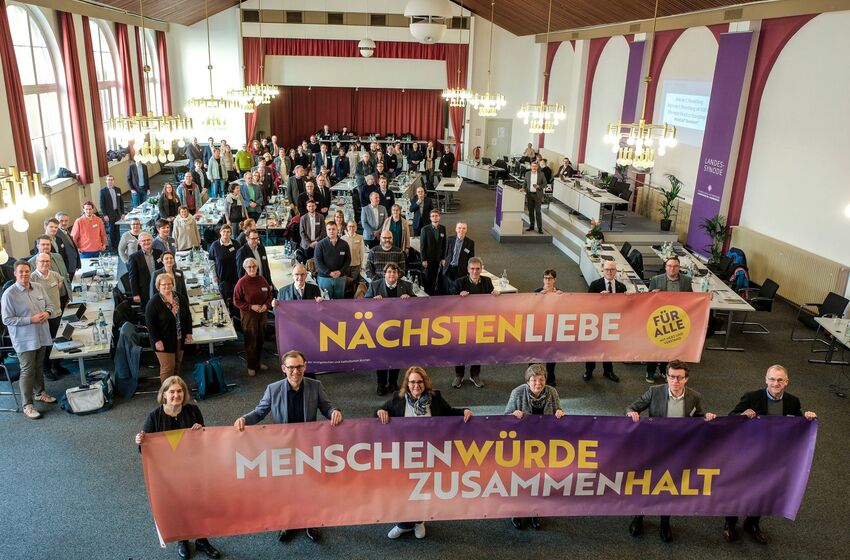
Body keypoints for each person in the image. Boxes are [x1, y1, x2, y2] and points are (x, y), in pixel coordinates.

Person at [234, 350, 343, 544]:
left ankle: (311, 521)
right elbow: (260, 412)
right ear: (284, 369)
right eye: (291, 367)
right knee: (286, 486)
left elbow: (327, 407)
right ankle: (288, 522)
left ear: (305, 367)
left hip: (308, 446)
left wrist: (335, 411)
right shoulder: (273, 389)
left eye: (299, 367)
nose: (295, 371)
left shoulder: (315, 386)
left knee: (309, 485)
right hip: (283, 447)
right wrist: (244, 419)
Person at [722, 365, 817, 544]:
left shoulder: (793, 401)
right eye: (772, 379)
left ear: (786, 382)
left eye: (780, 380)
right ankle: (730, 523)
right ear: (766, 380)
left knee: (762, 489)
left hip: (773, 456)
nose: (775, 383)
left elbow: (798, 423)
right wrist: (742, 414)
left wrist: (808, 418)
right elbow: (730, 417)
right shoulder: (751, 397)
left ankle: (752, 524)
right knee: (739, 487)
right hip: (748, 453)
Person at [626, 360, 717, 543]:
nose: (675, 381)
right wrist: (631, 413)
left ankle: (665, 522)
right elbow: (631, 407)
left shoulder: (694, 397)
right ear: (666, 377)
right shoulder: (654, 391)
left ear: (686, 379)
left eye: (679, 377)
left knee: (670, 486)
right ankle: (639, 516)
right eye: (672, 377)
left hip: (678, 450)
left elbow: (698, 417)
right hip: (654, 447)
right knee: (648, 483)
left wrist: (706, 416)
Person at [377, 366, 472, 539]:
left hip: (428, 454)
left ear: (425, 382)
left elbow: (449, 413)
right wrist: (380, 411)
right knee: (403, 490)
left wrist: (464, 411)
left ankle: (419, 521)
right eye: (412, 382)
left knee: (421, 489)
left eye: (420, 382)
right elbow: (380, 412)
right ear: (407, 383)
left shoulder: (435, 398)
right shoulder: (398, 398)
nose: (416, 385)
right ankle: (403, 524)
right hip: (404, 454)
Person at [134, 376, 222, 559]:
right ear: (164, 395)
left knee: (199, 503)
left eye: (180, 391)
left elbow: (203, 441)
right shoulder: (154, 417)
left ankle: (201, 539)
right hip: (168, 473)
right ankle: (182, 539)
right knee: (177, 505)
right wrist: (140, 441)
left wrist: (200, 432)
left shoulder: (193, 411)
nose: (176, 395)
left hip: (192, 467)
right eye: (172, 391)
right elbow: (146, 450)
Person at [504, 363, 565, 529]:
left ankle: (535, 511)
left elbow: (559, 411)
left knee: (540, 479)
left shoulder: (552, 392)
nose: (538, 383)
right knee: (520, 479)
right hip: (521, 444)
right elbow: (504, 418)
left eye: (541, 379)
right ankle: (517, 511)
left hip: (544, 445)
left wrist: (560, 413)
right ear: (527, 382)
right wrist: (512, 415)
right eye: (534, 380)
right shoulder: (517, 393)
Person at [1, 260, 57, 419]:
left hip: (41, 334)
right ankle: (28, 405)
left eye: (27, 271)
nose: (24, 274)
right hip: (24, 339)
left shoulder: (38, 287)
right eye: (21, 271)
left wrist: (47, 313)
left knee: (39, 366)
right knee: (27, 370)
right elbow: (7, 319)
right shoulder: (9, 294)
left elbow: (50, 306)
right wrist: (30, 320)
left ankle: (40, 393)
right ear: (15, 273)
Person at [366, 263, 415, 394]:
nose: (392, 274)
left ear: (398, 274)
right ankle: (381, 384)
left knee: (397, 356)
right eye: (389, 272)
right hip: (380, 328)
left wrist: (409, 298)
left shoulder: (406, 286)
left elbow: (416, 303)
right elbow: (364, 304)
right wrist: (373, 301)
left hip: (400, 327)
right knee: (381, 356)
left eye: (394, 272)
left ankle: (393, 383)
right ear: (384, 274)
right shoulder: (374, 285)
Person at [452, 257, 499, 388]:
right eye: (472, 269)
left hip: (480, 322)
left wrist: (495, 295)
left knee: (478, 349)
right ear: (468, 269)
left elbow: (491, 300)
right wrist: (458, 297)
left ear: (481, 269)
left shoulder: (487, 281)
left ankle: (474, 375)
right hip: (462, 322)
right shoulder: (459, 283)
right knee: (460, 349)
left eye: (478, 268)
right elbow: (449, 302)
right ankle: (459, 375)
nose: (475, 271)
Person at [646, 256, 693, 383]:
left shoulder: (686, 281)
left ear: (679, 268)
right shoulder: (656, 279)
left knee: (670, 347)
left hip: (676, 319)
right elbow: (647, 299)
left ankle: (663, 370)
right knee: (655, 347)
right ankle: (650, 371)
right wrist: (653, 294)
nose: (672, 269)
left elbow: (692, 298)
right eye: (669, 266)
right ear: (665, 267)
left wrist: (706, 296)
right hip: (659, 318)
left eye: (675, 266)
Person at [146, 273, 192, 383]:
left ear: (173, 284)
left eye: (169, 283)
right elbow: (150, 324)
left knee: (177, 365)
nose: (167, 286)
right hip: (163, 341)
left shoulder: (179, 298)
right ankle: (166, 392)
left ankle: (175, 389)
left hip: (179, 338)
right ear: (158, 286)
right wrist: (157, 340)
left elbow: (188, 316)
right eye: (163, 284)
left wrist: (189, 332)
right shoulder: (153, 303)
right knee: (168, 368)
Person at [585, 262, 627, 383]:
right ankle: (589, 370)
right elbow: (587, 304)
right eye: (607, 269)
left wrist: (628, 298)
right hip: (596, 322)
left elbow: (624, 306)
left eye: (612, 269)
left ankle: (608, 371)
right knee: (592, 347)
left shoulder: (621, 287)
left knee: (608, 347)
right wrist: (599, 298)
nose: (609, 272)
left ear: (615, 271)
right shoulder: (595, 285)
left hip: (612, 322)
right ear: (602, 270)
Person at [31, 253, 70, 380]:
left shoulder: (54, 274)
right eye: (42, 261)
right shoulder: (32, 278)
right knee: (45, 345)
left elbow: (61, 281)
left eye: (47, 261)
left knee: (57, 341)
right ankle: (46, 369)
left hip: (56, 314)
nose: (45, 263)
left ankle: (57, 365)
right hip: (42, 318)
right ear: (36, 262)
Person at [234, 258, 274, 377]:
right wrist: (251, 306)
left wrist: (266, 305)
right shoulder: (242, 282)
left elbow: (269, 295)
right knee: (251, 341)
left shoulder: (262, 279)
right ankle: (251, 366)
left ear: (257, 267)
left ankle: (258, 363)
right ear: (245, 268)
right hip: (249, 316)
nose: (252, 269)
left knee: (260, 340)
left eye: (254, 266)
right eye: (249, 267)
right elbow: (236, 301)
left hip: (262, 315)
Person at [532, 269, 564, 385]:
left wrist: (562, 298)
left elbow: (565, 309)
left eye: (550, 278)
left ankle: (550, 377)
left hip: (553, 327)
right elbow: (530, 308)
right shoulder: (537, 292)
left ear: (554, 280)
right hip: (538, 327)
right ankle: (533, 377)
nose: (547, 281)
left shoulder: (559, 293)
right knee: (535, 353)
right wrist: (538, 297)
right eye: (545, 278)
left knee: (551, 353)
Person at [314, 222, 350, 300]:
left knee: (339, 301)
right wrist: (329, 272)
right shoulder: (320, 245)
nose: (331, 231)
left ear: (337, 230)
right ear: (326, 231)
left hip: (340, 278)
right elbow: (318, 261)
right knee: (326, 301)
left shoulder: (344, 244)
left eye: (333, 229)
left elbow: (348, 260)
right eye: (329, 229)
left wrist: (340, 272)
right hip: (324, 278)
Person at [128, 232, 162, 308]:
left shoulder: (159, 253)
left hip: (160, 287)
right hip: (144, 290)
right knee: (148, 309)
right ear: (139, 243)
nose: (146, 242)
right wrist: (135, 294)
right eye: (143, 241)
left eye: (148, 240)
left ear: (152, 241)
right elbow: (133, 277)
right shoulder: (134, 257)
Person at [208, 225, 239, 306]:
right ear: (220, 232)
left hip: (235, 278)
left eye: (228, 232)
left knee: (235, 300)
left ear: (231, 233)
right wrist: (214, 275)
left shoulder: (236, 244)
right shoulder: (215, 245)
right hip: (221, 278)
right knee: (223, 300)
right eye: (224, 231)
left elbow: (240, 259)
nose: (226, 233)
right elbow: (211, 261)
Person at [419, 209, 446, 295]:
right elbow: (422, 246)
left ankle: (434, 294)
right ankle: (427, 294)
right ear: (430, 218)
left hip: (438, 258)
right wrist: (423, 259)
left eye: (436, 216)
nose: (435, 217)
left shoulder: (442, 228)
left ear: (439, 217)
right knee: (428, 278)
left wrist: (443, 258)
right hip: (428, 259)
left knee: (436, 277)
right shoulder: (425, 229)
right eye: (433, 216)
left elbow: (444, 245)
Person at [99, 174, 125, 250]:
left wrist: (123, 213)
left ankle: (118, 244)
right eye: (108, 180)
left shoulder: (118, 189)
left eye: (111, 180)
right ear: (106, 181)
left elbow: (121, 202)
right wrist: (105, 215)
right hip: (109, 214)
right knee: (111, 229)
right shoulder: (103, 191)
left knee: (117, 229)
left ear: (113, 181)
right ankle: (113, 245)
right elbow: (102, 205)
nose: (110, 181)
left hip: (117, 213)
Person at [521, 161, 546, 234]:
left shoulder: (541, 174)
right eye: (532, 166)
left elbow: (545, 183)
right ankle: (531, 226)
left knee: (538, 212)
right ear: (531, 167)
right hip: (529, 195)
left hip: (537, 195)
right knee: (531, 211)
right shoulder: (527, 174)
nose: (534, 167)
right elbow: (525, 183)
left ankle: (539, 228)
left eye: (535, 166)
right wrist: (523, 188)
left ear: (537, 167)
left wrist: (539, 186)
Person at [55, 211, 80, 280]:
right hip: (65, 269)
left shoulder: (66, 231)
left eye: (66, 221)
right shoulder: (56, 235)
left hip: (72, 266)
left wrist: (77, 264)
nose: (64, 223)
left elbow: (73, 249)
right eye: (61, 221)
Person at [341, 221, 365, 285]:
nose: (351, 228)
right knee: (345, 283)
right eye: (350, 226)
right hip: (345, 266)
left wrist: (362, 265)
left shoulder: (360, 237)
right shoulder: (342, 238)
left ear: (356, 228)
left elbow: (362, 252)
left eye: (353, 226)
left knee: (354, 283)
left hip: (356, 265)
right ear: (347, 227)